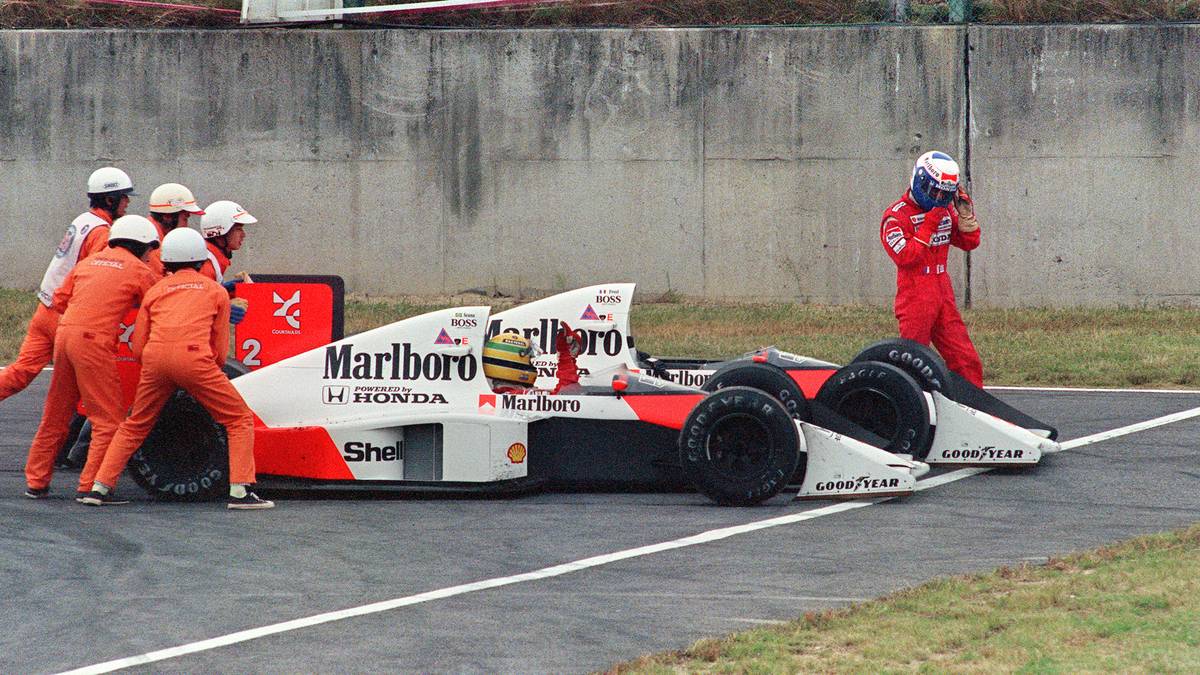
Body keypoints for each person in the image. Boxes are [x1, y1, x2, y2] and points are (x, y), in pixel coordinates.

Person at [81, 228, 273, 510]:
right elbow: (219, 351)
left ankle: (99, 487)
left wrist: (160, 368)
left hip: (155, 360)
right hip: (195, 359)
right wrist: (199, 378)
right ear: (199, 259)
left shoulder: (156, 290)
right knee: (238, 419)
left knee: (135, 425)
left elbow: (137, 347)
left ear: (167, 260)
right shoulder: (215, 290)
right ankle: (240, 492)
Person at [22, 215, 160, 501]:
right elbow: (158, 299)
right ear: (140, 246)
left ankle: (36, 481)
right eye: (149, 249)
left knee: (55, 414)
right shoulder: (138, 269)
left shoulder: (87, 263)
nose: (150, 256)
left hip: (64, 335)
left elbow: (59, 300)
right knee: (108, 420)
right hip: (94, 342)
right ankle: (92, 486)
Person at [0, 167, 133, 404]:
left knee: (20, 373)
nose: (128, 202)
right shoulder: (102, 233)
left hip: (45, 310)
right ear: (110, 199)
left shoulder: (83, 220)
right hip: (66, 317)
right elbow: (97, 278)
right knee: (85, 390)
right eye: (124, 196)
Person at [879, 150, 983, 387]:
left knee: (966, 360)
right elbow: (907, 258)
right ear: (919, 180)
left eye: (944, 194)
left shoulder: (946, 209)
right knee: (913, 361)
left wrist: (967, 217)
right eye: (933, 191)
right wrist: (931, 221)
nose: (937, 198)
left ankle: (976, 411)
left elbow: (970, 243)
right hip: (915, 294)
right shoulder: (895, 217)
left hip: (942, 292)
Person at [199, 200, 256, 325]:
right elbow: (192, 308)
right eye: (238, 229)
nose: (243, 235)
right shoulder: (206, 265)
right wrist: (224, 307)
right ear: (221, 232)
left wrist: (226, 292)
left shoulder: (212, 259)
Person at [484, 324, 582, 394]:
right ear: (512, 363)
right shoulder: (515, 395)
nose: (533, 366)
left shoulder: (504, 394)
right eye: (529, 361)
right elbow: (567, 394)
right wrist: (565, 355)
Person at [145, 183, 204, 278]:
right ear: (167, 216)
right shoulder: (153, 246)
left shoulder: (149, 235)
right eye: (185, 218)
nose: (186, 226)